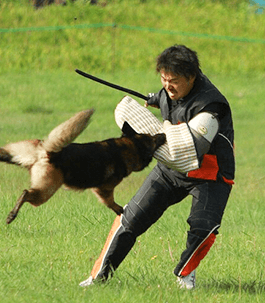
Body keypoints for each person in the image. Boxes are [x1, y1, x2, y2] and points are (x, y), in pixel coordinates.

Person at [79, 45, 235, 289]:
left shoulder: (212, 106)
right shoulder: (167, 92)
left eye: (173, 81)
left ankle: (185, 273)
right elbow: (163, 98)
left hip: (209, 173)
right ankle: (98, 278)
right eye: (163, 79)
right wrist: (152, 101)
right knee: (129, 219)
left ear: (192, 77)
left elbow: (189, 152)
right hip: (170, 170)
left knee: (204, 227)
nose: (167, 86)